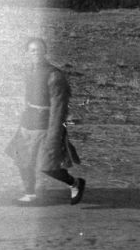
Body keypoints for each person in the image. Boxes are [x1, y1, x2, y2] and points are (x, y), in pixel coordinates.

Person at [5, 35, 85, 204]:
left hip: (45, 125)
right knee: (22, 158)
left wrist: (55, 135)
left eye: (39, 50)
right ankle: (30, 193)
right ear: (27, 53)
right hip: (28, 123)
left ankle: (75, 183)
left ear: (45, 52)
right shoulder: (29, 72)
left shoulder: (54, 75)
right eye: (32, 50)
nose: (36, 53)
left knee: (48, 166)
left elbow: (59, 108)